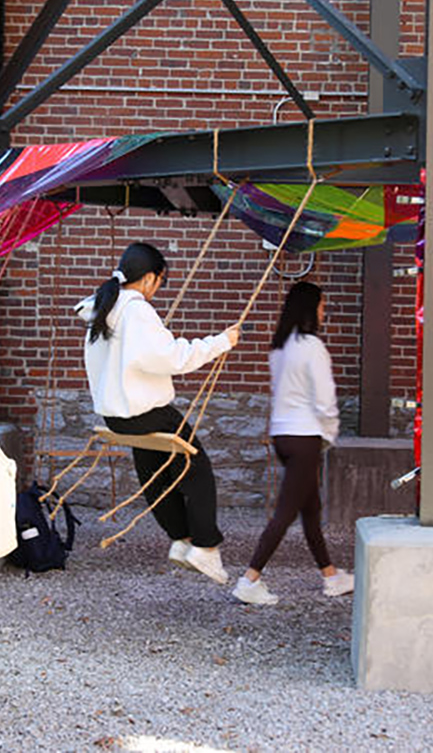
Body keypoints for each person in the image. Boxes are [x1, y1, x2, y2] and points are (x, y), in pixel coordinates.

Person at [76, 242, 239, 584]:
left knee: (154, 472)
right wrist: (221, 341)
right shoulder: (136, 311)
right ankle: (206, 547)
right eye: (161, 281)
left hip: (116, 416)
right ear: (150, 278)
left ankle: (182, 540)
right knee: (197, 469)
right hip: (145, 411)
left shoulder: (104, 306)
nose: (158, 290)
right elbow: (173, 358)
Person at [232, 281, 354, 606]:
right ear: (311, 308)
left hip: (283, 435)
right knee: (285, 513)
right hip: (305, 437)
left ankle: (331, 576)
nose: (324, 312)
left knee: (310, 509)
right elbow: (325, 400)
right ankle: (249, 580)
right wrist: (329, 432)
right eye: (322, 305)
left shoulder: (280, 348)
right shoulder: (312, 346)